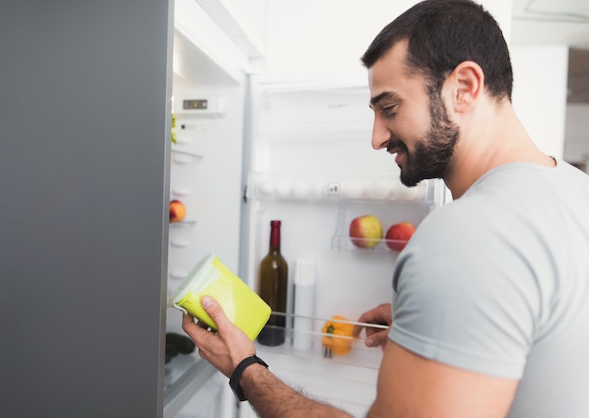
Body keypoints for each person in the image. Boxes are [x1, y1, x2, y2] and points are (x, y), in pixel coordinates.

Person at [183, 0, 589, 416]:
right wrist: (446, 322)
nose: (377, 138)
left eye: (390, 108)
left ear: (464, 87)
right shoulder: (575, 189)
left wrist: (245, 368)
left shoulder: (467, 236)